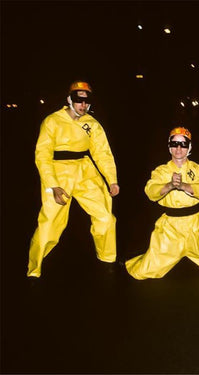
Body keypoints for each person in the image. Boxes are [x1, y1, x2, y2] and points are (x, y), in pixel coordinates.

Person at [28, 81, 119, 278]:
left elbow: (102, 153)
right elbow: (42, 155)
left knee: (105, 216)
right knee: (50, 222)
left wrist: (111, 179)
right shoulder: (52, 121)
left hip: (85, 171)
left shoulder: (92, 124)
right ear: (70, 99)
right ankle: (34, 269)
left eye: (86, 101)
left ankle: (107, 259)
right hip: (58, 173)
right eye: (78, 100)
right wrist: (53, 185)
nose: (83, 105)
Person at [125, 127, 199, 279]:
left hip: (197, 225)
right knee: (141, 273)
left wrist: (184, 186)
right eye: (175, 143)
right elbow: (150, 191)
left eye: (183, 144)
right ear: (169, 146)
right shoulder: (161, 171)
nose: (178, 148)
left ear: (189, 147)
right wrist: (169, 186)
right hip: (170, 228)